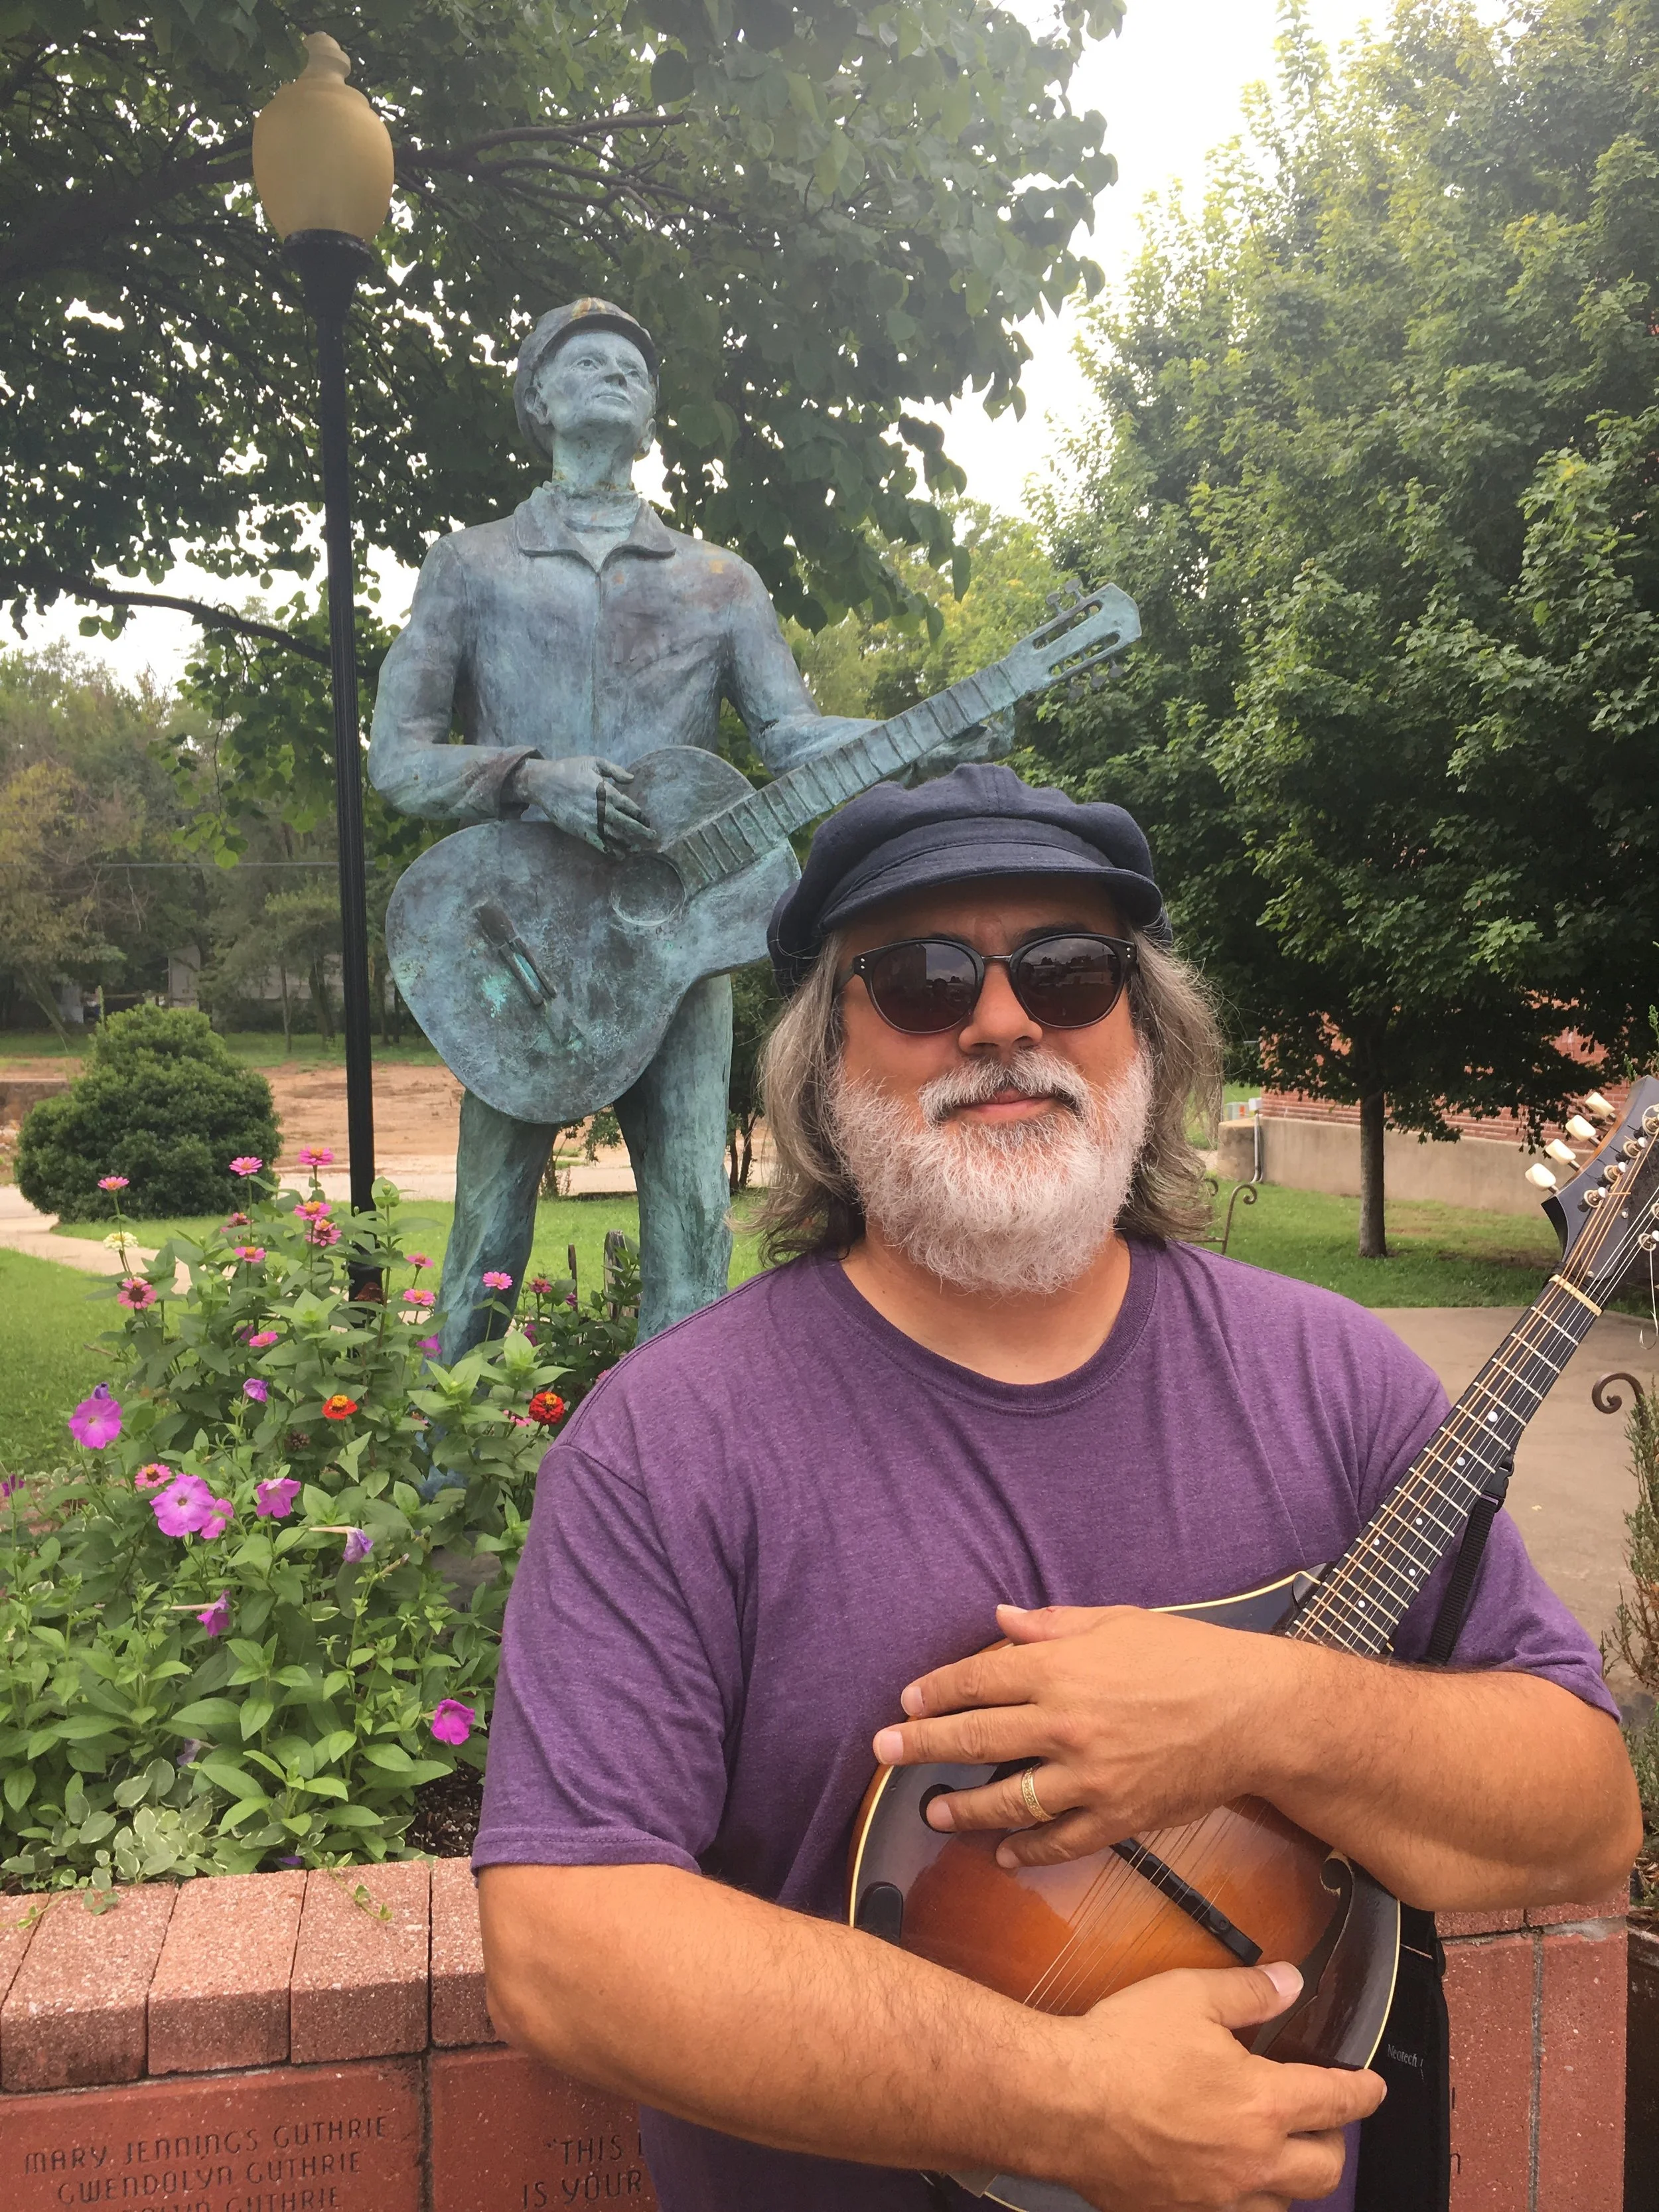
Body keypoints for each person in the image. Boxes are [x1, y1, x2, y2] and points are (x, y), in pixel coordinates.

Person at [472, 763, 1639, 2212]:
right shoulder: (669, 1440)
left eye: (1069, 970)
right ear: (825, 1065)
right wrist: (1067, 2101)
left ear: (1138, 1033)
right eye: (918, 977)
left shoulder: (1336, 1379)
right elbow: (561, 1947)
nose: (1004, 1020)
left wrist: (1251, 1710)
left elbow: (1583, 1817)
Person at [369, 297, 928, 1353]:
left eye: (633, 361)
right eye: (585, 359)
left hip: (675, 948)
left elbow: (793, 738)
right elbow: (396, 761)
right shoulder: (471, 565)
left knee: (693, 1229)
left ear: (653, 407)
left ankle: (679, 1483)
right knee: (488, 1228)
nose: (615, 371)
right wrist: (531, 777)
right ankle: (448, 1485)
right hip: (520, 947)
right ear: (538, 398)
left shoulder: (719, 582)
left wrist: (924, 735)